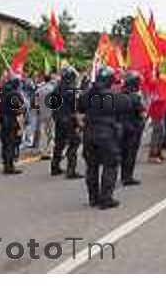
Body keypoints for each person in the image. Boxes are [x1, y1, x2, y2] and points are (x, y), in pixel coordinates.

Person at [79, 66, 122, 209]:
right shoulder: (114, 96)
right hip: (107, 134)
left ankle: (93, 198)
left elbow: (79, 110)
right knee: (110, 165)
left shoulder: (86, 94)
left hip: (89, 133)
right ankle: (106, 198)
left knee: (91, 166)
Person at [51, 66, 83, 179]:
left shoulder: (56, 88)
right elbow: (75, 108)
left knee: (59, 144)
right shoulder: (72, 90)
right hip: (69, 120)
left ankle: (54, 167)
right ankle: (71, 170)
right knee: (74, 143)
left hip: (58, 119)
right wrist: (79, 123)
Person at [119, 71, 146, 185]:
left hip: (121, 127)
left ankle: (123, 175)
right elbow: (142, 113)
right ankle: (127, 177)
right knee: (130, 153)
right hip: (133, 128)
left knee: (124, 152)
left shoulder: (119, 95)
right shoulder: (135, 97)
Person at [0, 74, 25, 175]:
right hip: (12, 121)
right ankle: (9, 167)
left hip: (3, 120)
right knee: (11, 144)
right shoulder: (15, 95)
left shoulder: (2, 92)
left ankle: (6, 163)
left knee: (5, 144)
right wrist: (21, 126)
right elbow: (19, 111)